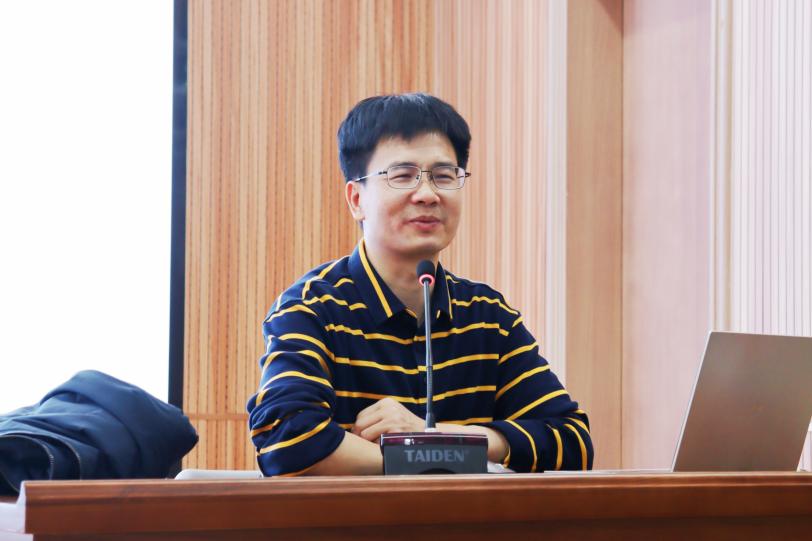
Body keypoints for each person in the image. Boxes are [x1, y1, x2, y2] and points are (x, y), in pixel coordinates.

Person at [246, 93, 593, 476]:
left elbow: (572, 442)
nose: (428, 194)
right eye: (402, 175)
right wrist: (430, 458)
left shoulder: (487, 316)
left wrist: (434, 436)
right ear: (357, 199)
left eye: (444, 176)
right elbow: (287, 441)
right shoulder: (311, 307)